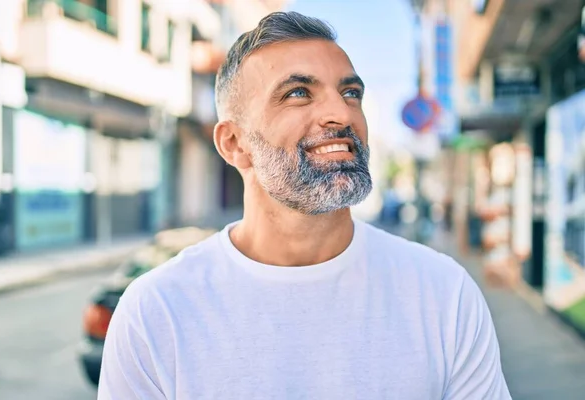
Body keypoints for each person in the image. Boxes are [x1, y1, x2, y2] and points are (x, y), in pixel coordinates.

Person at [98, 11, 511, 400]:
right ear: (234, 144)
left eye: (351, 92)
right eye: (298, 93)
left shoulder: (443, 293)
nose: (340, 113)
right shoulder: (156, 310)